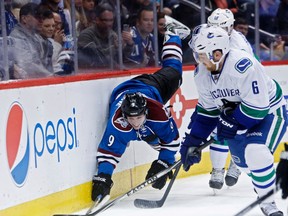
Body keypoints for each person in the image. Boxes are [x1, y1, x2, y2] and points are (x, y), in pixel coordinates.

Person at [181, 25, 287, 216]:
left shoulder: (244, 65)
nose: (199, 59)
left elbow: (258, 109)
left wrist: (232, 122)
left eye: (202, 54)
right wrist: (192, 141)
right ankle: (262, 184)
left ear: (217, 52)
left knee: (257, 152)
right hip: (238, 117)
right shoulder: (202, 74)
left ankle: (269, 205)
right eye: (197, 55)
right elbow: (207, 112)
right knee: (247, 165)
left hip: (269, 112)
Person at [91, 33, 184, 202]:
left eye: (138, 117)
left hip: (151, 87)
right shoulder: (118, 122)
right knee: (153, 138)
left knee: (175, 74)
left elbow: (172, 140)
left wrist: (164, 161)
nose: (134, 122)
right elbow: (109, 152)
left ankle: (173, 35)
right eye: (130, 118)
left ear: (146, 112)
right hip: (123, 91)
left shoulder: (158, 113)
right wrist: (103, 176)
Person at [188, 8, 255, 191]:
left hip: (237, 91)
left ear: (231, 27)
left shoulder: (238, 45)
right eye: (213, 26)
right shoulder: (202, 32)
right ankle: (217, 169)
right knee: (216, 128)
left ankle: (236, 161)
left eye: (221, 27)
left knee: (236, 129)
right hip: (213, 83)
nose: (215, 30)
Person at [77, 3, 133, 69]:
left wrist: (129, 44)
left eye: (111, 20)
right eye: (105, 20)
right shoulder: (86, 35)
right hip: (89, 74)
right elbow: (99, 59)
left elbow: (122, 59)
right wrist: (114, 47)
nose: (109, 23)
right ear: (97, 20)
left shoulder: (113, 35)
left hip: (108, 74)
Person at [9, 2, 53, 79]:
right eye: (37, 17)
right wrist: (50, 76)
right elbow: (27, 66)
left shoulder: (36, 36)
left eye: (42, 17)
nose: (41, 20)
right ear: (24, 19)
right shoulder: (16, 37)